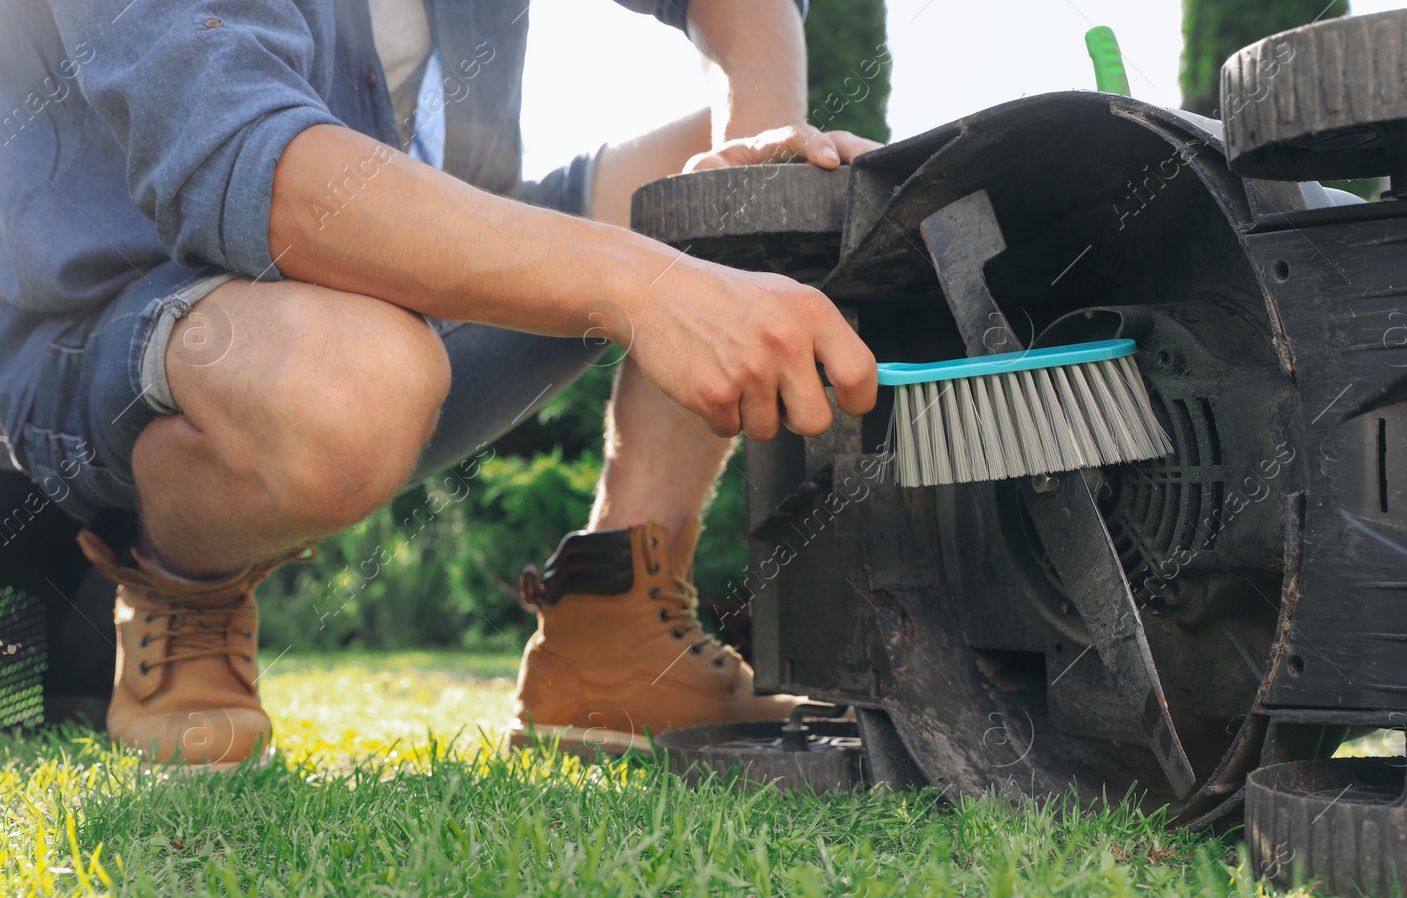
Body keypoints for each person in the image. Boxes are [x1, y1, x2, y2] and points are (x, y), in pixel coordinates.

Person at [0, 0, 881, 767]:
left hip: (405, 313)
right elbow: (244, 163)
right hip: (123, 336)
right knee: (358, 379)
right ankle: (186, 579)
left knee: (743, 179)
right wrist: (644, 286)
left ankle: (615, 624)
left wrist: (764, 166)